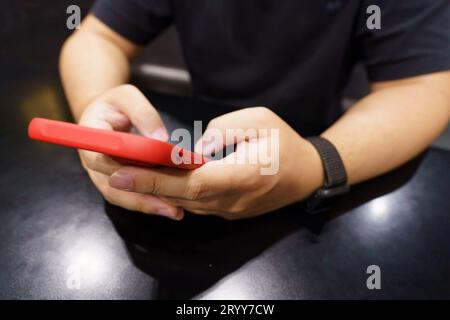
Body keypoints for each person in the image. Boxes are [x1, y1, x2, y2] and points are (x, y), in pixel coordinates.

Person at [60, 0, 450, 221]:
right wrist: (97, 109)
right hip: (202, 137)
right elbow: (98, 36)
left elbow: (423, 87)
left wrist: (316, 164)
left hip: (322, 145)